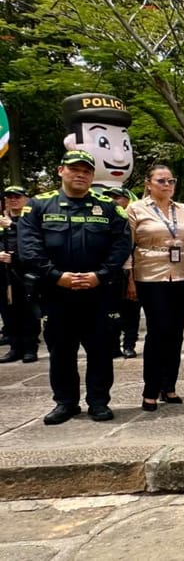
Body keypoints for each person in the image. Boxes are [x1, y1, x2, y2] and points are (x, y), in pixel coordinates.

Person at [17, 150, 130, 424]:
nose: (81, 174)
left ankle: (99, 402)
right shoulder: (38, 206)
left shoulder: (108, 208)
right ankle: (66, 403)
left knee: (101, 350)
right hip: (56, 293)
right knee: (61, 351)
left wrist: (100, 275)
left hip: (98, 292)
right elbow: (29, 248)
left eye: (86, 171)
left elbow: (122, 244)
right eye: (74, 169)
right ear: (60, 171)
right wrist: (56, 275)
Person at [127, 165, 184, 411]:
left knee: (176, 333)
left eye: (171, 180)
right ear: (148, 183)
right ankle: (150, 389)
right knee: (158, 331)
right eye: (161, 180)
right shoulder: (136, 209)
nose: (166, 185)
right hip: (150, 276)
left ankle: (170, 386)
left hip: (181, 275)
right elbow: (128, 246)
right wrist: (130, 279)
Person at [0, 186, 41, 364]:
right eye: (9, 197)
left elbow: (34, 238)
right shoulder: (1, 220)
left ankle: (30, 348)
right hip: (5, 274)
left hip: (25, 273)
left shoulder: (30, 217)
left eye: (17, 197)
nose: (13, 200)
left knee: (28, 312)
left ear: (25, 199)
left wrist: (13, 226)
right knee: (9, 313)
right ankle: (15, 348)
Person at [105, 187, 140, 359]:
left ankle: (129, 345)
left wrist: (131, 278)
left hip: (130, 272)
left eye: (117, 197)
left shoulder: (131, 219)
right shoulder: (105, 219)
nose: (114, 200)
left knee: (131, 312)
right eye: (110, 197)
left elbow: (131, 250)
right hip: (109, 273)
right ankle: (112, 345)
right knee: (111, 313)